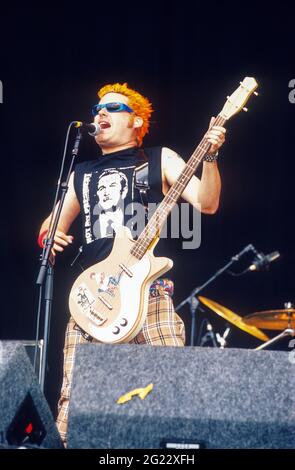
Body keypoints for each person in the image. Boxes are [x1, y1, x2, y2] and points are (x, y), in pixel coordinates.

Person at [38, 82, 226, 445]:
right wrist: (50, 238)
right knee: (74, 401)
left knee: (170, 389)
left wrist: (211, 157)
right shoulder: (82, 173)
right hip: (93, 299)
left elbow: (207, 203)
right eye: (97, 109)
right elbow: (50, 227)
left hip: (148, 293)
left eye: (112, 108)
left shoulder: (160, 159)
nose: (100, 113)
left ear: (137, 121)